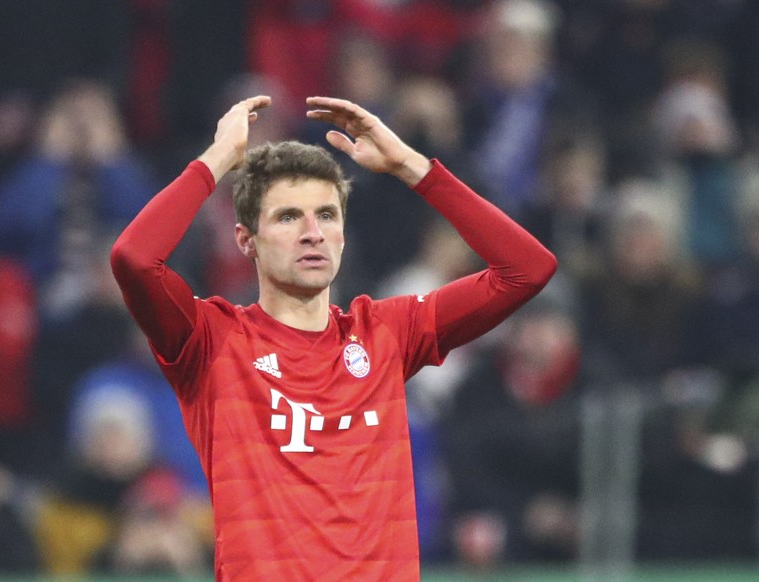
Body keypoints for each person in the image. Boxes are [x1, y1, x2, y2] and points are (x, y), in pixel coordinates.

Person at [110, 94, 556, 580]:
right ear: (245, 239)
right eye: (287, 217)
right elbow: (135, 258)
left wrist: (412, 167)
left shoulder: (386, 333)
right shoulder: (211, 342)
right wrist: (217, 161)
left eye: (327, 215)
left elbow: (526, 270)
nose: (312, 233)